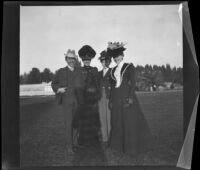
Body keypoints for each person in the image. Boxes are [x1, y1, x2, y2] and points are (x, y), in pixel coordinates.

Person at [107, 42, 154, 156]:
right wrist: (111, 100)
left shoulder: (129, 66)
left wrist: (130, 97)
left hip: (126, 96)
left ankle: (131, 146)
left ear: (122, 56)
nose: (116, 58)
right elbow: (112, 87)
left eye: (118, 56)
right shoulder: (112, 70)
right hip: (116, 97)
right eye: (115, 57)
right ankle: (118, 145)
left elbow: (133, 83)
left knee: (129, 122)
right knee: (117, 121)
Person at [51, 49, 83, 154]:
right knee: (69, 124)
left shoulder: (79, 71)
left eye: (73, 58)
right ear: (66, 59)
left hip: (77, 101)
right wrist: (58, 89)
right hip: (67, 100)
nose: (71, 60)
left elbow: (82, 85)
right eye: (69, 58)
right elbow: (53, 83)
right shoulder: (61, 71)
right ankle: (69, 146)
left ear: (75, 59)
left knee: (76, 123)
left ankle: (74, 143)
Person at [77, 45, 101, 146]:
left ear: (91, 60)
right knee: (83, 119)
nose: (87, 61)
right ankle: (82, 140)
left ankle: (94, 139)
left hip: (93, 97)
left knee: (93, 118)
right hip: (84, 97)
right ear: (82, 60)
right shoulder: (79, 70)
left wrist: (98, 93)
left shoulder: (94, 69)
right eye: (85, 60)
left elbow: (97, 83)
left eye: (88, 60)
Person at [97, 50, 112, 147]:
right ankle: (105, 138)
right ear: (101, 62)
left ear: (109, 61)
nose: (104, 63)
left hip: (109, 96)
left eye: (106, 61)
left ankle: (111, 138)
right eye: (102, 61)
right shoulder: (98, 73)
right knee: (102, 117)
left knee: (109, 117)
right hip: (100, 97)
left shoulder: (113, 72)